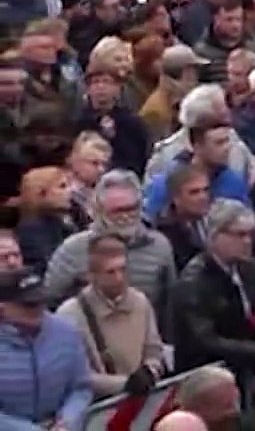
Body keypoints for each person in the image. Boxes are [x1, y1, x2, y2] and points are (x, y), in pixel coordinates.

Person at [170, 200, 255, 400]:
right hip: (207, 382)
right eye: (240, 235)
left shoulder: (253, 270)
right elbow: (205, 341)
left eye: (251, 234)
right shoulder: (192, 283)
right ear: (215, 236)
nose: (248, 241)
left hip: (252, 375)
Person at [43, 170, 177, 311]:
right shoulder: (73, 249)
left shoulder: (160, 246)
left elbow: (170, 304)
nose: (126, 216)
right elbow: (49, 301)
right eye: (118, 211)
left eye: (131, 209)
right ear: (99, 211)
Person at [54, 233, 166, 398]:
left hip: (142, 397)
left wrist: (150, 372)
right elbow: (75, 375)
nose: (119, 278)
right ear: (92, 275)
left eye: (123, 270)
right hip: (98, 405)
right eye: (110, 272)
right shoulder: (70, 315)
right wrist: (125, 384)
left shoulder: (140, 302)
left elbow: (154, 349)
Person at [0, 268, 92, 430]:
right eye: (29, 305)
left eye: (42, 301)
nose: (39, 309)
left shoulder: (67, 332)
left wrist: (68, 421)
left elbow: (81, 388)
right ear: (3, 307)